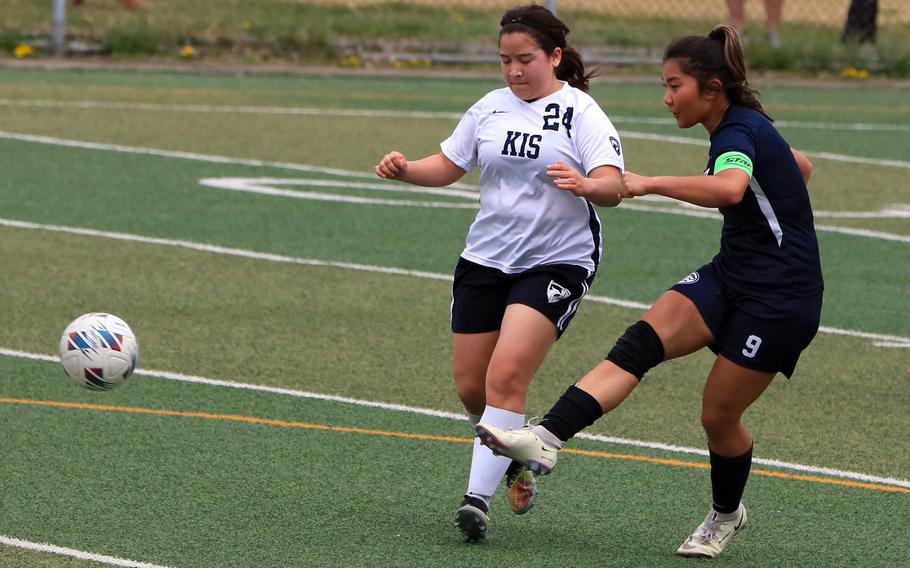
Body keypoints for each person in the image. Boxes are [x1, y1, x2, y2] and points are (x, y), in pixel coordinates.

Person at [477, 24, 822, 559]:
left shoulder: (734, 133)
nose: (666, 99)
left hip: (782, 298)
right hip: (732, 274)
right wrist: (780, 177)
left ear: (711, 88)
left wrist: (647, 182)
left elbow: (730, 188)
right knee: (640, 341)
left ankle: (726, 515)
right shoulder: (740, 127)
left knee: (717, 416)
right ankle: (547, 438)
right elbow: (800, 164)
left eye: (674, 86)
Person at [374, 4, 624, 544]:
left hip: (557, 259)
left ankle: (474, 501)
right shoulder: (489, 108)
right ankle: (512, 461)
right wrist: (407, 170)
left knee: (505, 377)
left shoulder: (580, 112)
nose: (514, 70)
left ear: (555, 57)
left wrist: (587, 184)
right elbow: (450, 164)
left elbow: (612, 183)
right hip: (486, 258)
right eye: (505, 60)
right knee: (471, 386)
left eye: (525, 59)